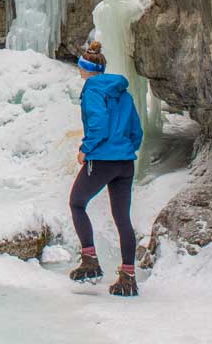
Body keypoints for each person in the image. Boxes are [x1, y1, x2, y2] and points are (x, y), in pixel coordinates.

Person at [68, 40, 143, 297]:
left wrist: (86, 148)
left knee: (77, 203)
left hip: (101, 159)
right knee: (122, 218)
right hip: (125, 162)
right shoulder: (123, 92)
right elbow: (137, 131)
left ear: (86, 69)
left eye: (80, 68)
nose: (79, 71)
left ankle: (90, 262)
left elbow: (98, 123)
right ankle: (128, 276)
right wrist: (124, 149)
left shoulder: (92, 91)